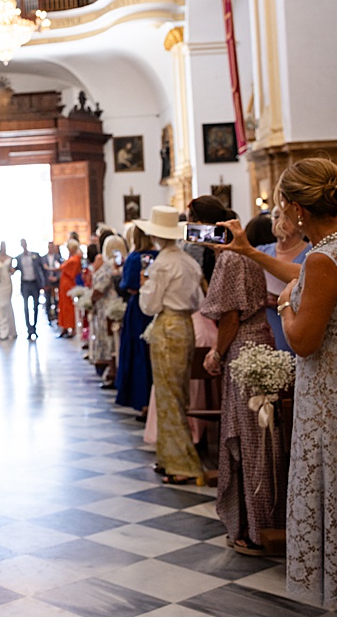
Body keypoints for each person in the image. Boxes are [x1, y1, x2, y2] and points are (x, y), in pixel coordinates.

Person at [217, 158, 337, 614]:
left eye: (282, 205)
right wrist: (250, 252)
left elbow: (302, 340)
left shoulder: (322, 258)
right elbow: (313, 282)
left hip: (332, 397)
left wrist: (284, 307)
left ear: (298, 210)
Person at [200, 215, 285, 556]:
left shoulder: (231, 259)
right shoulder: (249, 256)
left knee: (247, 441)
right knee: (262, 439)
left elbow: (231, 316)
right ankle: (263, 521)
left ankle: (254, 527)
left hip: (243, 350)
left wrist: (217, 355)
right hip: (261, 343)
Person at [136, 206, 205, 485]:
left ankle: (183, 464)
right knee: (176, 393)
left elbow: (149, 305)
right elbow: (199, 300)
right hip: (186, 325)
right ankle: (169, 457)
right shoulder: (188, 261)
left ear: (155, 235)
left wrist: (144, 284)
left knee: (169, 396)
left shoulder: (162, 263)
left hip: (168, 327)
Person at [115, 223, 157, 414]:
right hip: (156, 306)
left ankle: (142, 401)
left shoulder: (133, 258)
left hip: (138, 308)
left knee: (138, 352)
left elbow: (129, 286)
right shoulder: (159, 256)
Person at [255, 210, 310, 353]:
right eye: (276, 216)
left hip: (295, 322)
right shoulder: (260, 251)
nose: (280, 221)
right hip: (264, 322)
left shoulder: (311, 254)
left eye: (287, 217)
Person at [89, 234, 127, 387]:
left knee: (111, 342)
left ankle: (113, 372)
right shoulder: (122, 262)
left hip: (108, 307)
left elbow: (100, 286)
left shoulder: (109, 265)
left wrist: (92, 299)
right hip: (117, 305)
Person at [13, 239, 44, 338]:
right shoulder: (19, 258)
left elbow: (42, 269)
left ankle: (34, 327)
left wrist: (43, 283)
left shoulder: (35, 255)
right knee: (26, 307)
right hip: (25, 284)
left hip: (35, 283)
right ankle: (29, 329)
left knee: (35, 306)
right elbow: (15, 269)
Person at [56, 240, 82, 338]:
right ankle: (65, 327)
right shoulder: (72, 258)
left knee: (69, 307)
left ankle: (72, 327)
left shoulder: (74, 259)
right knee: (64, 306)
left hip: (68, 284)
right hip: (65, 285)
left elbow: (63, 268)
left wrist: (49, 268)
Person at [0, 241, 16, 340]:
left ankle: (9, 330)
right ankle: (1, 330)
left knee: (7, 304)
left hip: (8, 282)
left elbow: (11, 269)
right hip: (1, 282)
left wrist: (12, 270)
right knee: (2, 304)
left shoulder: (10, 258)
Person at [43, 241, 62, 323]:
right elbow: (42, 271)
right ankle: (49, 316)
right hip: (47, 282)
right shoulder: (43, 258)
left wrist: (56, 278)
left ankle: (57, 316)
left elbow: (61, 269)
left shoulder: (57, 257)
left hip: (55, 282)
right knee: (48, 300)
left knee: (56, 299)